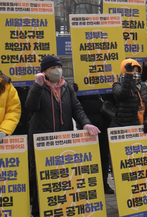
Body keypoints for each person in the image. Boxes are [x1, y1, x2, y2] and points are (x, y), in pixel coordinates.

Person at [26, 55, 100, 217]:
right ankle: (38, 212)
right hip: (41, 141)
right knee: (41, 177)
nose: (57, 71)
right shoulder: (38, 86)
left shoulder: (66, 87)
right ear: (44, 71)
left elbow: (77, 108)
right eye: (52, 68)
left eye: (59, 67)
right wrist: (38, 86)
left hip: (62, 139)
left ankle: (60, 209)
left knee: (60, 176)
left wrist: (86, 123)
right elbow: (31, 107)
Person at [74, 85, 115, 195]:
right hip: (87, 125)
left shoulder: (107, 83)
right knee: (88, 157)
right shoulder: (80, 82)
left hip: (104, 123)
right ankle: (89, 183)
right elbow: (75, 105)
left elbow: (113, 98)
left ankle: (103, 182)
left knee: (104, 155)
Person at [112, 59, 147, 130]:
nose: (135, 73)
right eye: (132, 70)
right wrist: (128, 76)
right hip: (124, 127)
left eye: (137, 71)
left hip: (141, 126)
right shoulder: (117, 84)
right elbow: (123, 94)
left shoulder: (143, 86)